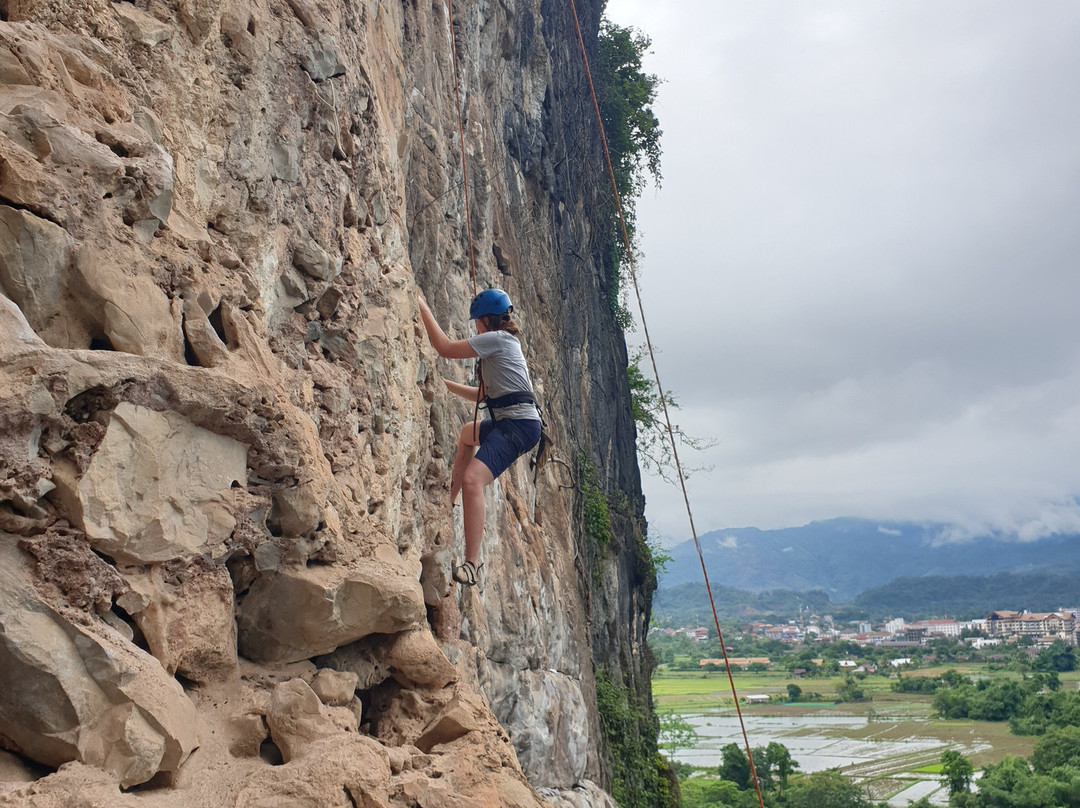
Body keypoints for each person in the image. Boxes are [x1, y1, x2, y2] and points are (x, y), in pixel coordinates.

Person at [417, 288, 542, 587]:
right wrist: (445, 384)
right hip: (510, 421)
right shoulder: (503, 344)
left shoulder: (497, 340)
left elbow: (445, 348)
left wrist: (421, 304)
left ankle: (472, 565)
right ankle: (450, 499)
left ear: (484, 320)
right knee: (467, 435)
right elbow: (483, 395)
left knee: (474, 479)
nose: (475, 327)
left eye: (476, 322)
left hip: (518, 426)